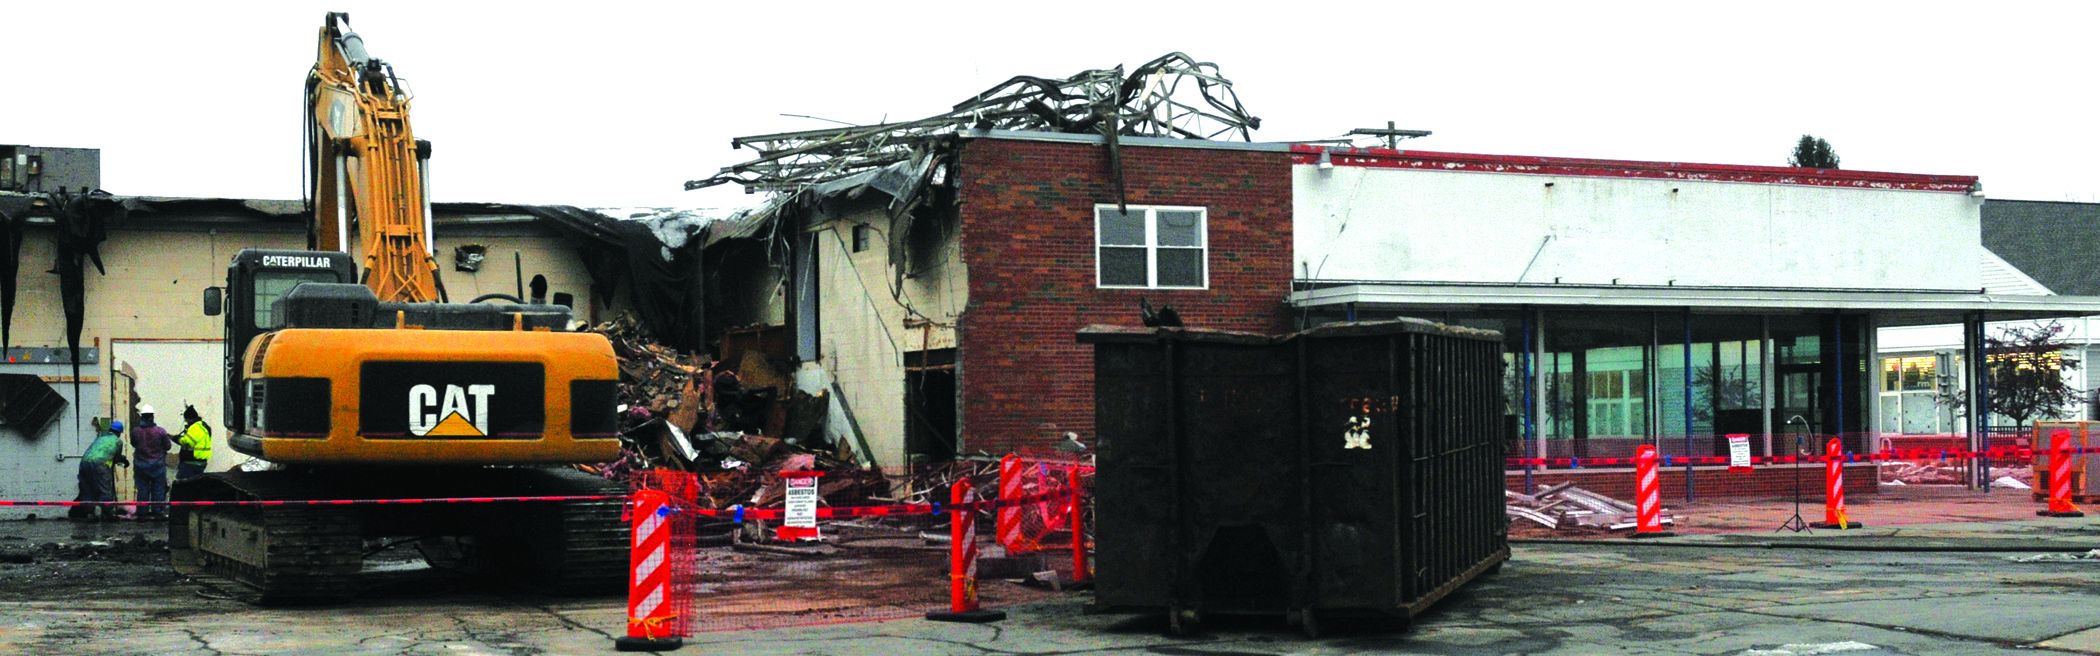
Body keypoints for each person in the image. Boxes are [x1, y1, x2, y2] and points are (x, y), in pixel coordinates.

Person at [72, 420, 130, 521]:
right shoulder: (117, 441)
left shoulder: (100, 438)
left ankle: (89, 513)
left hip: (84, 463)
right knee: (105, 489)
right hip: (100, 465)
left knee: (87, 489)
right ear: (119, 432)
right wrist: (124, 460)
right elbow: (116, 458)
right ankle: (107, 514)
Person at [129, 404, 175, 520]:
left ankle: (142, 513)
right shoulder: (160, 432)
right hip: (157, 466)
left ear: (142, 417)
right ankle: (157, 512)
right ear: (152, 417)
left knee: (142, 490)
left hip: (140, 465)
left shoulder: (135, 431)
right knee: (158, 489)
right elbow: (168, 446)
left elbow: (134, 444)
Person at [175, 404, 213, 482]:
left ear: (189, 418)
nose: (185, 421)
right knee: (195, 485)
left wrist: (176, 438)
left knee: (183, 484)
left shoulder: (195, 428)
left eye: (186, 419)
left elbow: (186, 442)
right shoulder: (204, 426)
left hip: (191, 462)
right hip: (202, 462)